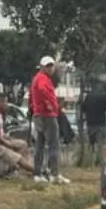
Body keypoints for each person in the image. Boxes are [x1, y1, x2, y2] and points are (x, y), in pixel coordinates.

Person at [29, 56, 68, 184]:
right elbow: (43, 91)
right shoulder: (42, 79)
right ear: (42, 67)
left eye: (52, 65)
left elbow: (35, 94)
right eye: (48, 65)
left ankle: (38, 173)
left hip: (39, 114)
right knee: (53, 144)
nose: (51, 68)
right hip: (47, 115)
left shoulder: (38, 78)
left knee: (40, 144)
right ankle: (53, 174)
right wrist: (50, 104)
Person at [0, 93, 33, 177]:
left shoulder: (0, 115)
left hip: (1, 139)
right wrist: (6, 142)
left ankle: (18, 170)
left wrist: (8, 138)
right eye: (3, 101)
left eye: (6, 101)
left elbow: (0, 133)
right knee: (15, 156)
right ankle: (35, 170)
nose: (6, 104)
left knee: (22, 144)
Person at [80, 83, 106, 164]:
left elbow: (83, 108)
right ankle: (99, 161)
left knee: (90, 144)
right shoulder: (105, 96)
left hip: (90, 123)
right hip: (101, 123)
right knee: (101, 144)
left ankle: (89, 161)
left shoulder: (89, 96)